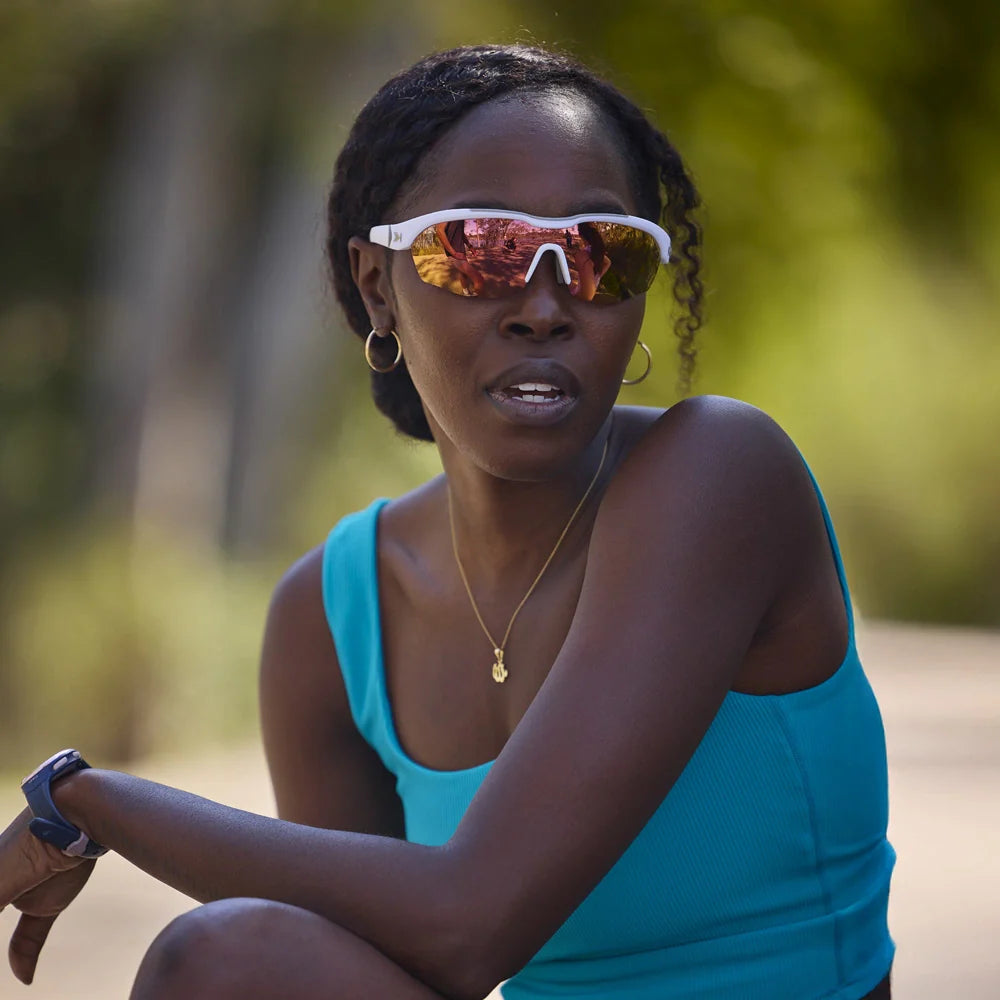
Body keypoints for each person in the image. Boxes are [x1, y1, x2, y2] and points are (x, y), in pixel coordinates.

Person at [0, 44, 895, 999]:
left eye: (601, 252)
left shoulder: (722, 473)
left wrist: (90, 802)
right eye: (480, 248)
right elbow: (372, 965)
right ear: (376, 284)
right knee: (230, 960)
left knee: (218, 953)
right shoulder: (335, 616)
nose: (545, 305)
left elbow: (471, 925)